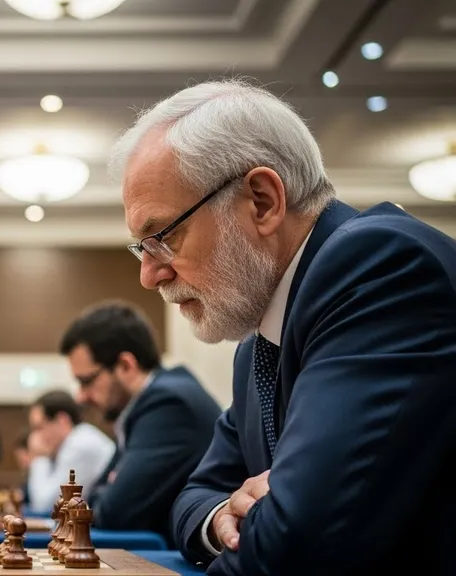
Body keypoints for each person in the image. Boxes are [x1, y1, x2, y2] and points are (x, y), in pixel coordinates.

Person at [111, 78, 456, 575]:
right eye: (141, 249)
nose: (150, 275)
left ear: (262, 201)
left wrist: (268, 519)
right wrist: (221, 517)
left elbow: (297, 543)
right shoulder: (257, 347)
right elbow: (193, 497)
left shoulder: (379, 269)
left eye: (163, 237)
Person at [59, 300, 221, 543]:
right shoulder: (140, 410)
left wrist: (103, 496)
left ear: (125, 366)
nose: (80, 396)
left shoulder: (168, 405)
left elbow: (114, 512)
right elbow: (93, 499)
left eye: (86, 381)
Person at [24, 390, 114, 513]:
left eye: (40, 427)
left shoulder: (80, 445)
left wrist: (39, 457)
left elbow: (46, 504)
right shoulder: (75, 441)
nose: (36, 437)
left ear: (62, 420)